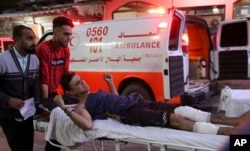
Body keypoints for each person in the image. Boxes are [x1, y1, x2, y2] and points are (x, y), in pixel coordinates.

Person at [53, 71, 250, 136]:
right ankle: (226, 132)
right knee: (175, 118)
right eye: (77, 83)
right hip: (132, 114)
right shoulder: (81, 107)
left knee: (184, 109)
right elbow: (87, 125)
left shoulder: (96, 92)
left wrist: (110, 83)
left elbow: (116, 99)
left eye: (81, 79)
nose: (83, 82)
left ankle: (233, 121)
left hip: (136, 101)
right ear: (70, 91)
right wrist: (63, 108)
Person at [35, 16, 76, 151]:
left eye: (70, 34)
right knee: (59, 117)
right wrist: (45, 105)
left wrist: (69, 97)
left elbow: (65, 76)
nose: (68, 37)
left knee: (71, 110)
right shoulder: (44, 49)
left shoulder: (65, 50)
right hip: (40, 94)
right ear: (55, 33)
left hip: (53, 93)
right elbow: (43, 79)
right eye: (65, 34)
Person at [0, 25, 39, 151]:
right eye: (29, 39)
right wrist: (8, 99)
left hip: (27, 112)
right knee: (18, 147)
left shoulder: (34, 59)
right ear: (17, 40)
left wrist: (38, 105)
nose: (33, 42)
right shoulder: (3, 60)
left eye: (33, 39)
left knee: (28, 147)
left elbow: (35, 85)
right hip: (8, 114)